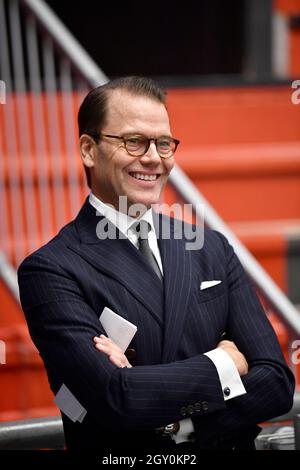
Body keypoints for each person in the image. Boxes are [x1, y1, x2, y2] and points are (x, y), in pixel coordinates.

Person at [18, 76, 295, 453]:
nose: (152, 157)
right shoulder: (51, 269)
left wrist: (173, 418)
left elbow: (277, 382)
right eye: (134, 141)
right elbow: (116, 400)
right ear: (88, 149)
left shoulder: (210, 247)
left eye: (163, 144)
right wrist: (224, 364)